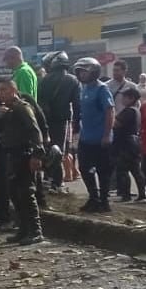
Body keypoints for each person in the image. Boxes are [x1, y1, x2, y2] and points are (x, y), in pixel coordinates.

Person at [0, 78, 46, 245]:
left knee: (26, 193)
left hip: (24, 154)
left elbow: (34, 130)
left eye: (5, 90)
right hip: (10, 155)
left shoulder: (22, 107)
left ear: (13, 90)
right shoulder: (5, 110)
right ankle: (23, 229)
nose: (1, 93)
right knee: (13, 192)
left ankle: (36, 231)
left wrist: (37, 154)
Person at [72, 57, 115, 212]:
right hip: (86, 138)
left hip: (100, 138)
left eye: (84, 71)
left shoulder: (101, 89)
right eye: (79, 72)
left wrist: (106, 134)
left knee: (103, 171)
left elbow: (110, 111)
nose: (81, 75)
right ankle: (93, 197)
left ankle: (104, 201)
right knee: (84, 168)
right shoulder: (84, 89)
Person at [38, 51, 82, 192]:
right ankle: (57, 181)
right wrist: (76, 124)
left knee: (47, 147)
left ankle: (48, 177)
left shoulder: (45, 80)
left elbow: (40, 102)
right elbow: (77, 105)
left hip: (46, 120)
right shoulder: (73, 80)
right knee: (59, 151)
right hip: (63, 120)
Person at [111, 86, 146, 202]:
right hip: (134, 143)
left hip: (126, 143)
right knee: (135, 169)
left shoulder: (129, 111)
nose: (122, 99)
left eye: (125, 97)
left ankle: (125, 195)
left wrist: (109, 118)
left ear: (131, 98)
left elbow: (116, 124)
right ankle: (142, 194)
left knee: (123, 170)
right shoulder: (136, 111)